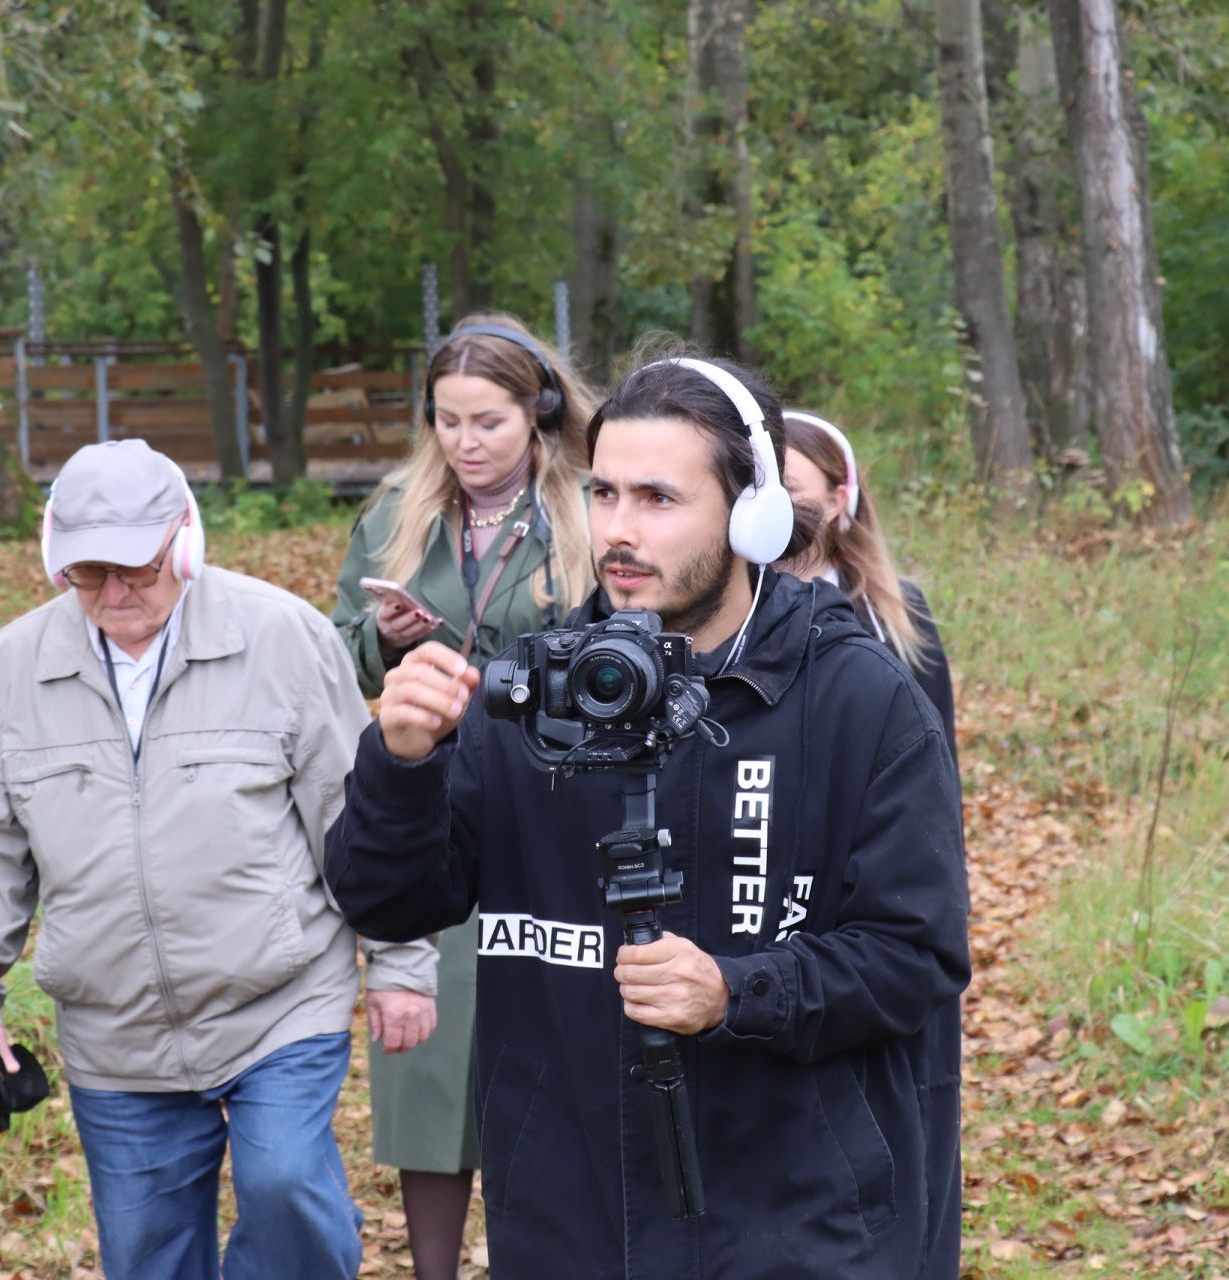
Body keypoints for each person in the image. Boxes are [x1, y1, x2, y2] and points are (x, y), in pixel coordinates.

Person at [325, 353, 971, 1278]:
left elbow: (918, 954)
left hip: (797, 1221)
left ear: (752, 514)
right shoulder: (532, 698)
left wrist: (737, 990)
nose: (618, 531)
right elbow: (385, 903)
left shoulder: (857, 700)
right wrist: (400, 763)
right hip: (571, 1215)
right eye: (604, 493)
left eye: (659, 499)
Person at [0, 438, 435, 1280]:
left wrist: (403, 963)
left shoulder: (283, 639)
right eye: (89, 574)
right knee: (148, 1256)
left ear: (184, 545)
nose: (116, 593)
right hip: (114, 1027)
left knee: (285, 1186)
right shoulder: (8, 674)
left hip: (280, 999)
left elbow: (361, 817)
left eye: (137, 569)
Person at [330, 314, 596, 1280]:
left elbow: (624, 649)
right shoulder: (401, 507)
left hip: (552, 795)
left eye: (487, 421)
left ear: (541, 414)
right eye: (446, 421)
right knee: (430, 1068)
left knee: (556, 1042)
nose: (464, 443)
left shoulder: (585, 508)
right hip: (430, 799)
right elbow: (341, 649)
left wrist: (512, 678)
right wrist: (392, 637)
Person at [777, 411, 957, 759]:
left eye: (788, 488)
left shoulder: (895, 612)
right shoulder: (728, 606)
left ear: (835, 502)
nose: (771, 501)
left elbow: (936, 752)